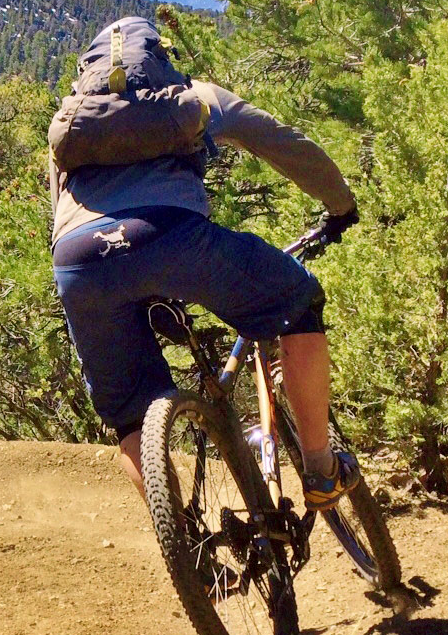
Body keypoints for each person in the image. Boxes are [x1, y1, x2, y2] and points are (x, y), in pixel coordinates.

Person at [50, 51, 362, 509]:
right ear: (156, 58)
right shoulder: (191, 96)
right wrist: (340, 204)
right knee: (299, 302)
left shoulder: (70, 122)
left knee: (132, 418)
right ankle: (320, 470)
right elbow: (278, 141)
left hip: (80, 260)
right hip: (172, 236)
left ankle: (184, 542)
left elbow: (56, 211)